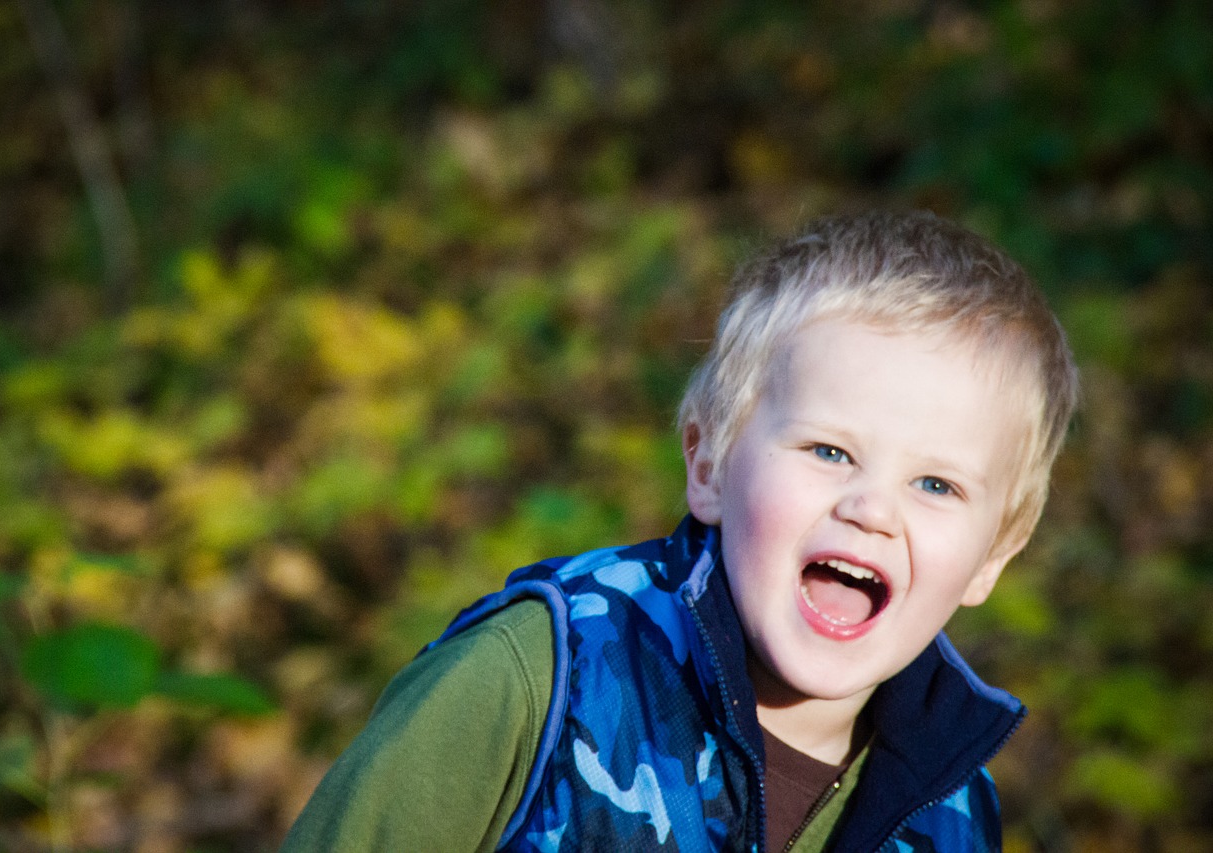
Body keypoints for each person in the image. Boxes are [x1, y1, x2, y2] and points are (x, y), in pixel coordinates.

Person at [282, 209, 1078, 852]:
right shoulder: (539, 678)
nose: (872, 509)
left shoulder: (953, 808)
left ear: (993, 556)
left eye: (936, 483)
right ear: (708, 465)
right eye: (830, 450)